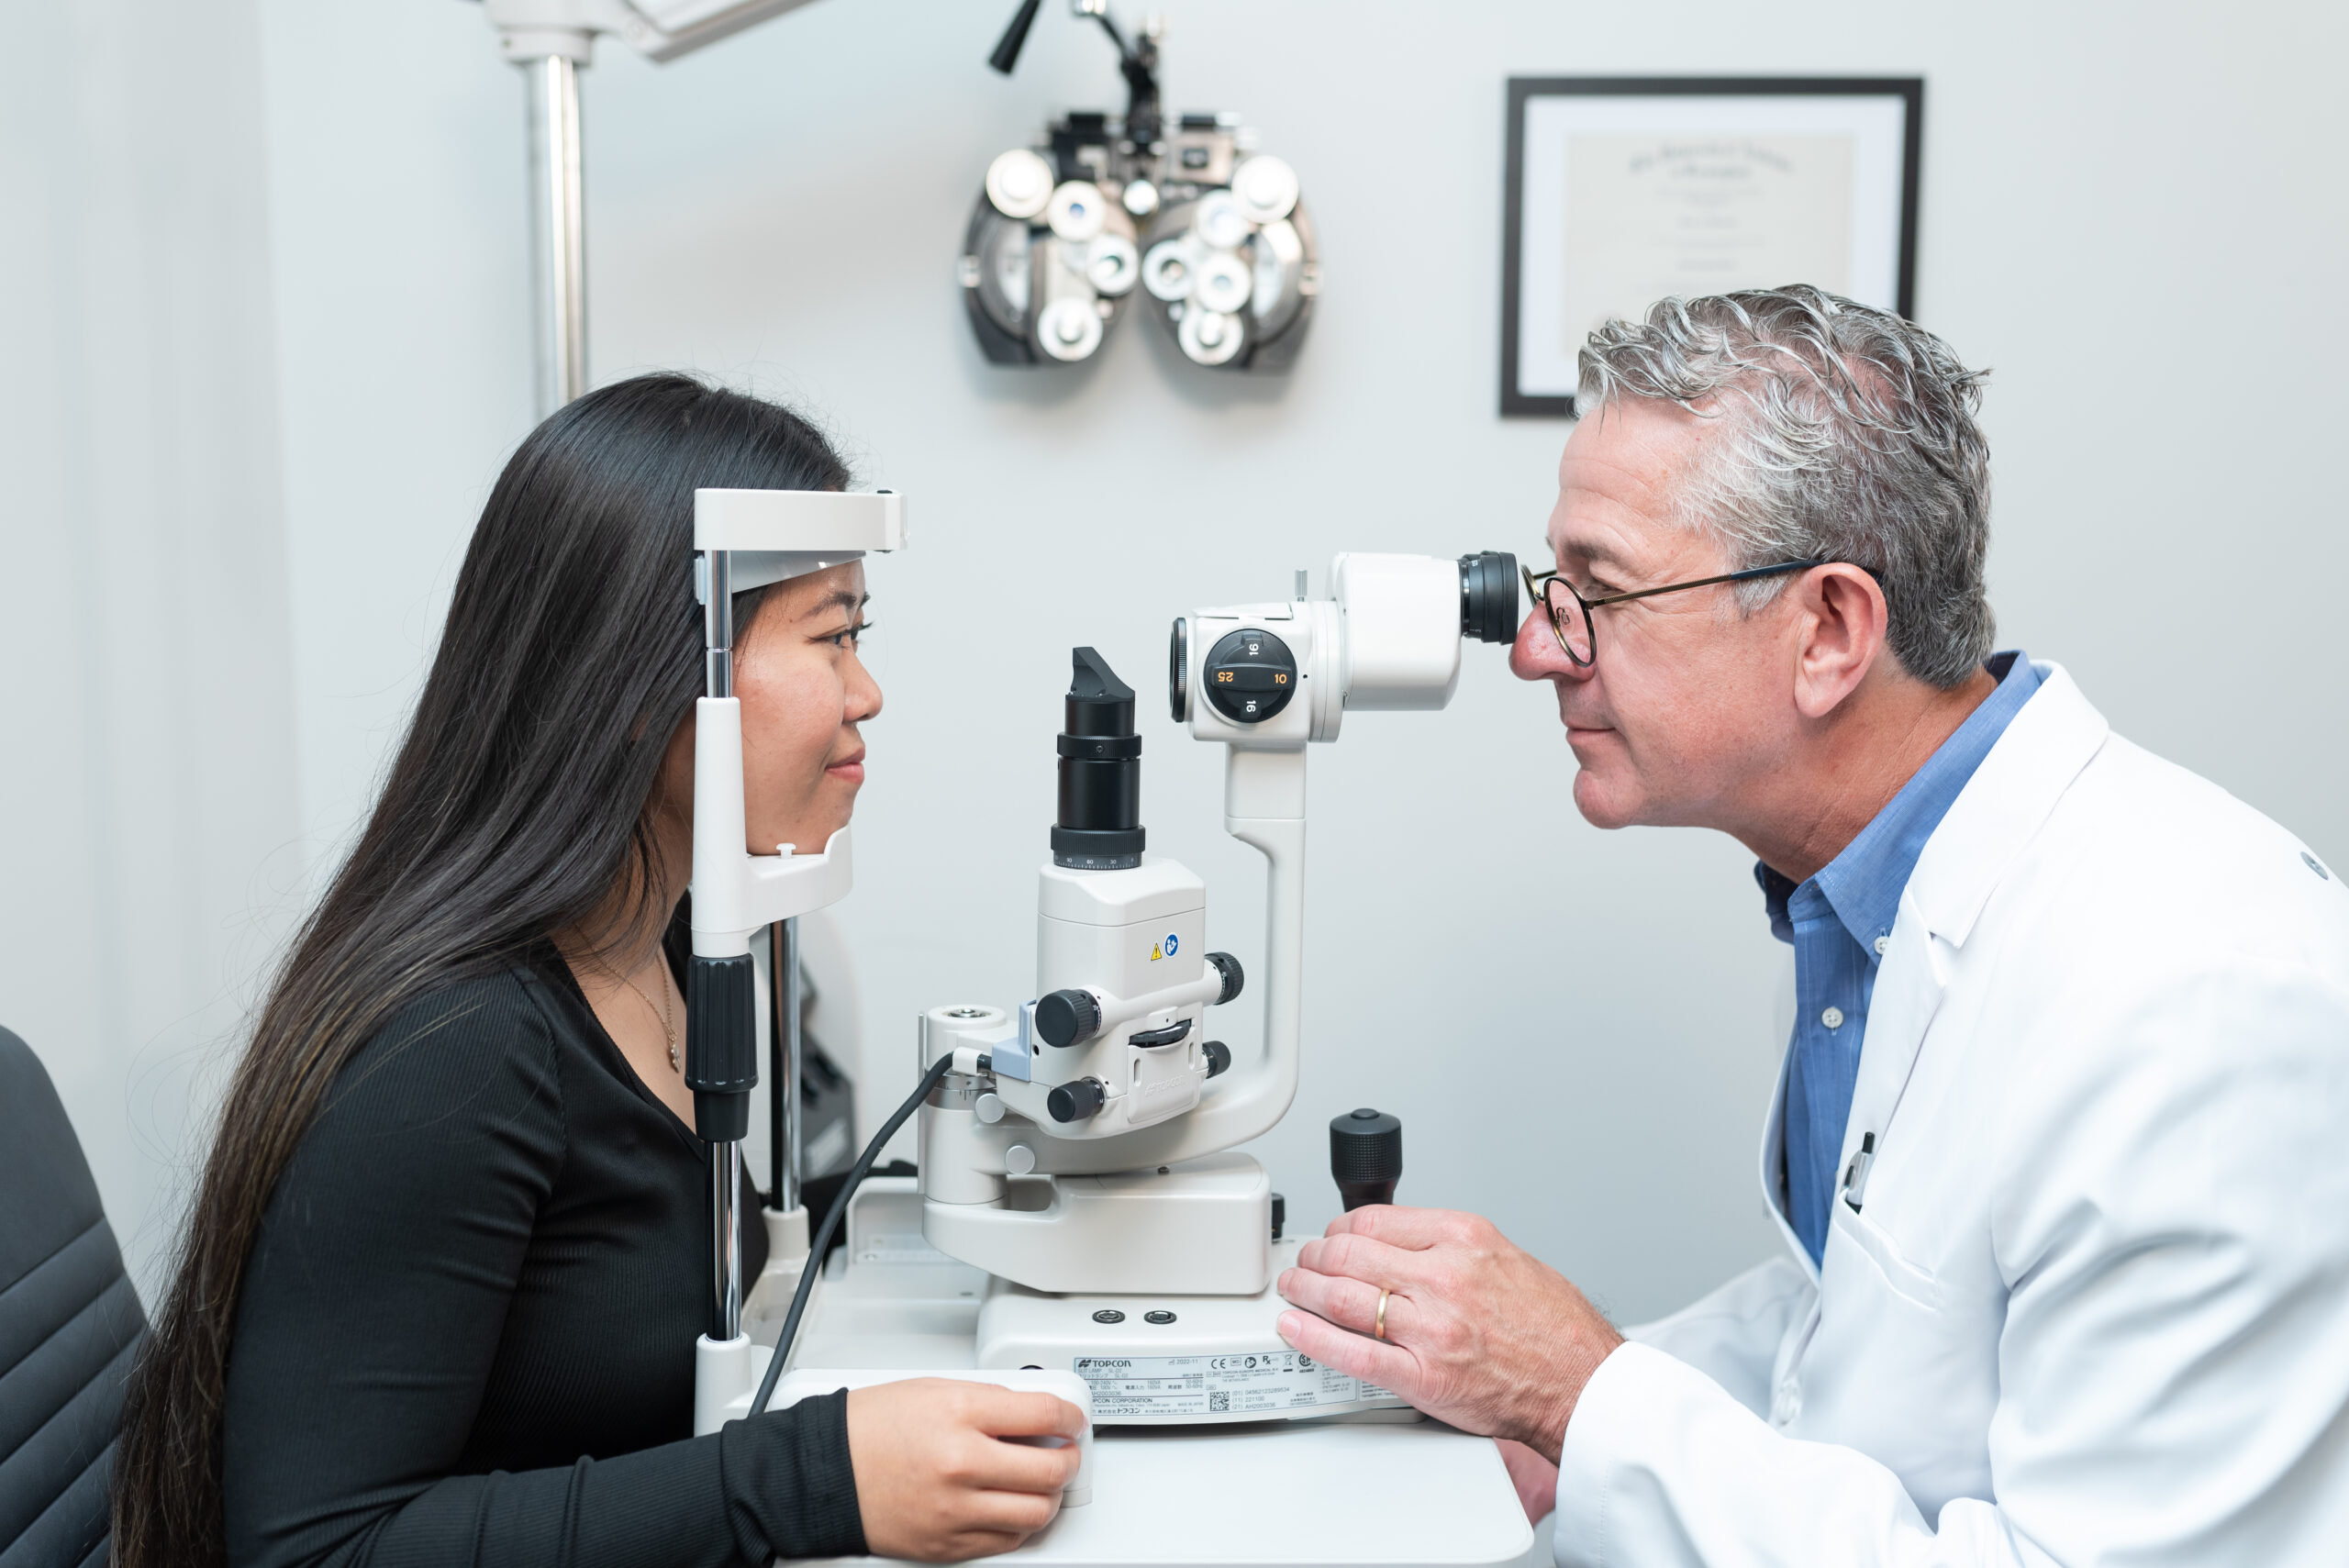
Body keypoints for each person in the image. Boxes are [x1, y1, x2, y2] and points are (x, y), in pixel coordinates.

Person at [1275, 287, 2349, 1564]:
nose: (1538, 653)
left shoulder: (2196, 996)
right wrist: (1534, 1399)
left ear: (1829, 630)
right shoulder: (1860, 897)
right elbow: (1861, 1325)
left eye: (1596, 594)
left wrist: (1581, 1389)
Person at [113, 374, 1085, 1568]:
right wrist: (813, 1480)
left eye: (858, 637)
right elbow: (317, 1550)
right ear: (647, 677)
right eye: (832, 637)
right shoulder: (462, 1051)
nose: (866, 692)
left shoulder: (672, 944)